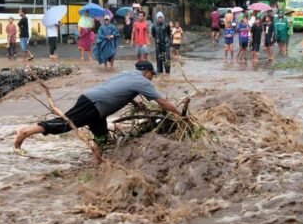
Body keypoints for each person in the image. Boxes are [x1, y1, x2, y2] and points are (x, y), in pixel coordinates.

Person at [13, 61, 180, 163]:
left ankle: (97, 163)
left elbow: (116, 90)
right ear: (147, 72)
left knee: (101, 136)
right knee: (63, 125)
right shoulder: (143, 81)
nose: (152, 78)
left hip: (94, 103)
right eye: (152, 75)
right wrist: (180, 115)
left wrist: (134, 102)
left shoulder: (126, 74)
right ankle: (25, 132)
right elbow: (162, 102)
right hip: (94, 105)